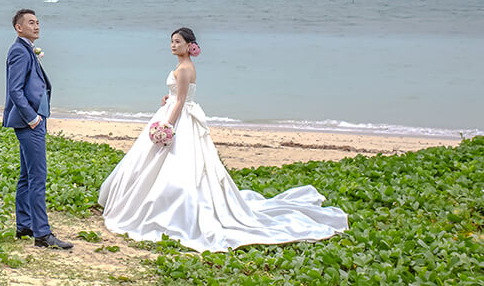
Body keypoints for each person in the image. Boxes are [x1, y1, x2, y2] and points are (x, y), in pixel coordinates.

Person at [97, 27, 348, 252]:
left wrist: (167, 125)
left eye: (177, 41)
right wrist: (168, 98)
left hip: (179, 117)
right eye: (171, 41)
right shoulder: (182, 68)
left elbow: (183, 100)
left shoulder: (185, 68)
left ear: (189, 45)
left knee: (180, 166)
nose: (172, 45)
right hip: (175, 110)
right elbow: (178, 95)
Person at [3, 9, 73, 250]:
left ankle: (24, 226)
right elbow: (15, 90)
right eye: (31, 23)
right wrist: (33, 118)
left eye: (38, 22)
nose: (37, 26)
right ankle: (42, 234)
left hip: (33, 120)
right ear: (18, 28)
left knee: (26, 177)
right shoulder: (19, 51)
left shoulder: (26, 49)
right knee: (37, 178)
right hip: (28, 122)